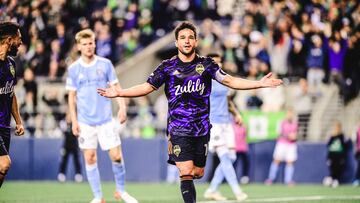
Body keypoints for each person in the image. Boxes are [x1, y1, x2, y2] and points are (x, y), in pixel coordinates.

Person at [97, 21, 282, 203]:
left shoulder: (207, 65)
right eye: (183, 38)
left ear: (196, 41)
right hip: (178, 129)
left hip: (201, 129)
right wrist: (120, 92)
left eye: (190, 37)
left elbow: (230, 81)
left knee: (197, 173)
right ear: (177, 42)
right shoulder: (167, 67)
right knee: (185, 172)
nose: (187, 41)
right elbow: (147, 87)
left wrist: (259, 83)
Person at [66, 29, 138, 203]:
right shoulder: (74, 69)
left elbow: (116, 87)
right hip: (85, 122)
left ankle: (120, 191)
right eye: (84, 44)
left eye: (91, 43)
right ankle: (98, 197)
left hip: (105, 120)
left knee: (116, 155)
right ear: (78, 46)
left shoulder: (105, 64)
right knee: (90, 158)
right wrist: (74, 121)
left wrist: (122, 108)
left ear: (94, 43)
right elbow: (72, 96)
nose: (89, 47)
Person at [203, 53, 247, 201]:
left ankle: (212, 189)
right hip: (214, 123)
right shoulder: (204, 81)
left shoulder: (222, 80)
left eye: (220, 62)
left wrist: (236, 114)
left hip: (226, 122)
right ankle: (238, 192)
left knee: (232, 157)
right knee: (224, 156)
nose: (219, 64)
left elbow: (228, 100)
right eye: (215, 62)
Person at [0, 21, 25, 188]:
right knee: (4, 163)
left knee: (2, 170)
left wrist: (18, 121)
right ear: (9, 40)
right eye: (19, 38)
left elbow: (11, 93)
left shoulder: (11, 64)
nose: (21, 42)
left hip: (4, 126)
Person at [265, 108, 298, 186]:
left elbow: (296, 135)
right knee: (276, 160)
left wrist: (294, 137)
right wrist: (287, 136)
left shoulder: (295, 123)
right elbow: (278, 134)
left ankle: (288, 180)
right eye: (288, 113)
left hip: (291, 145)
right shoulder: (281, 123)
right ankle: (270, 179)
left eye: (291, 114)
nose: (290, 115)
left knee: (290, 162)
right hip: (282, 144)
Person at [57, 94, 83, 183]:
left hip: (75, 144)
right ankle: (61, 174)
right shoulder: (63, 123)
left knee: (77, 160)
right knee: (64, 160)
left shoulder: (76, 123)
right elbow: (62, 130)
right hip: (66, 144)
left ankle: (78, 175)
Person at [323, 121, 347, 188]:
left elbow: (344, 146)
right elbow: (328, 145)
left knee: (338, 168)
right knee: (332, 168)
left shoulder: (342, 136)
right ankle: (331, 179)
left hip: (339, 155)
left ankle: (335, 180)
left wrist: (343, 156)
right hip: (332, 155)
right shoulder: (332, 136)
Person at [353, 121, 360, 186]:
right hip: (359, 151)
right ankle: (357, 180)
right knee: (358, 166)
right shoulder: (358, 130)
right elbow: (357, 141)